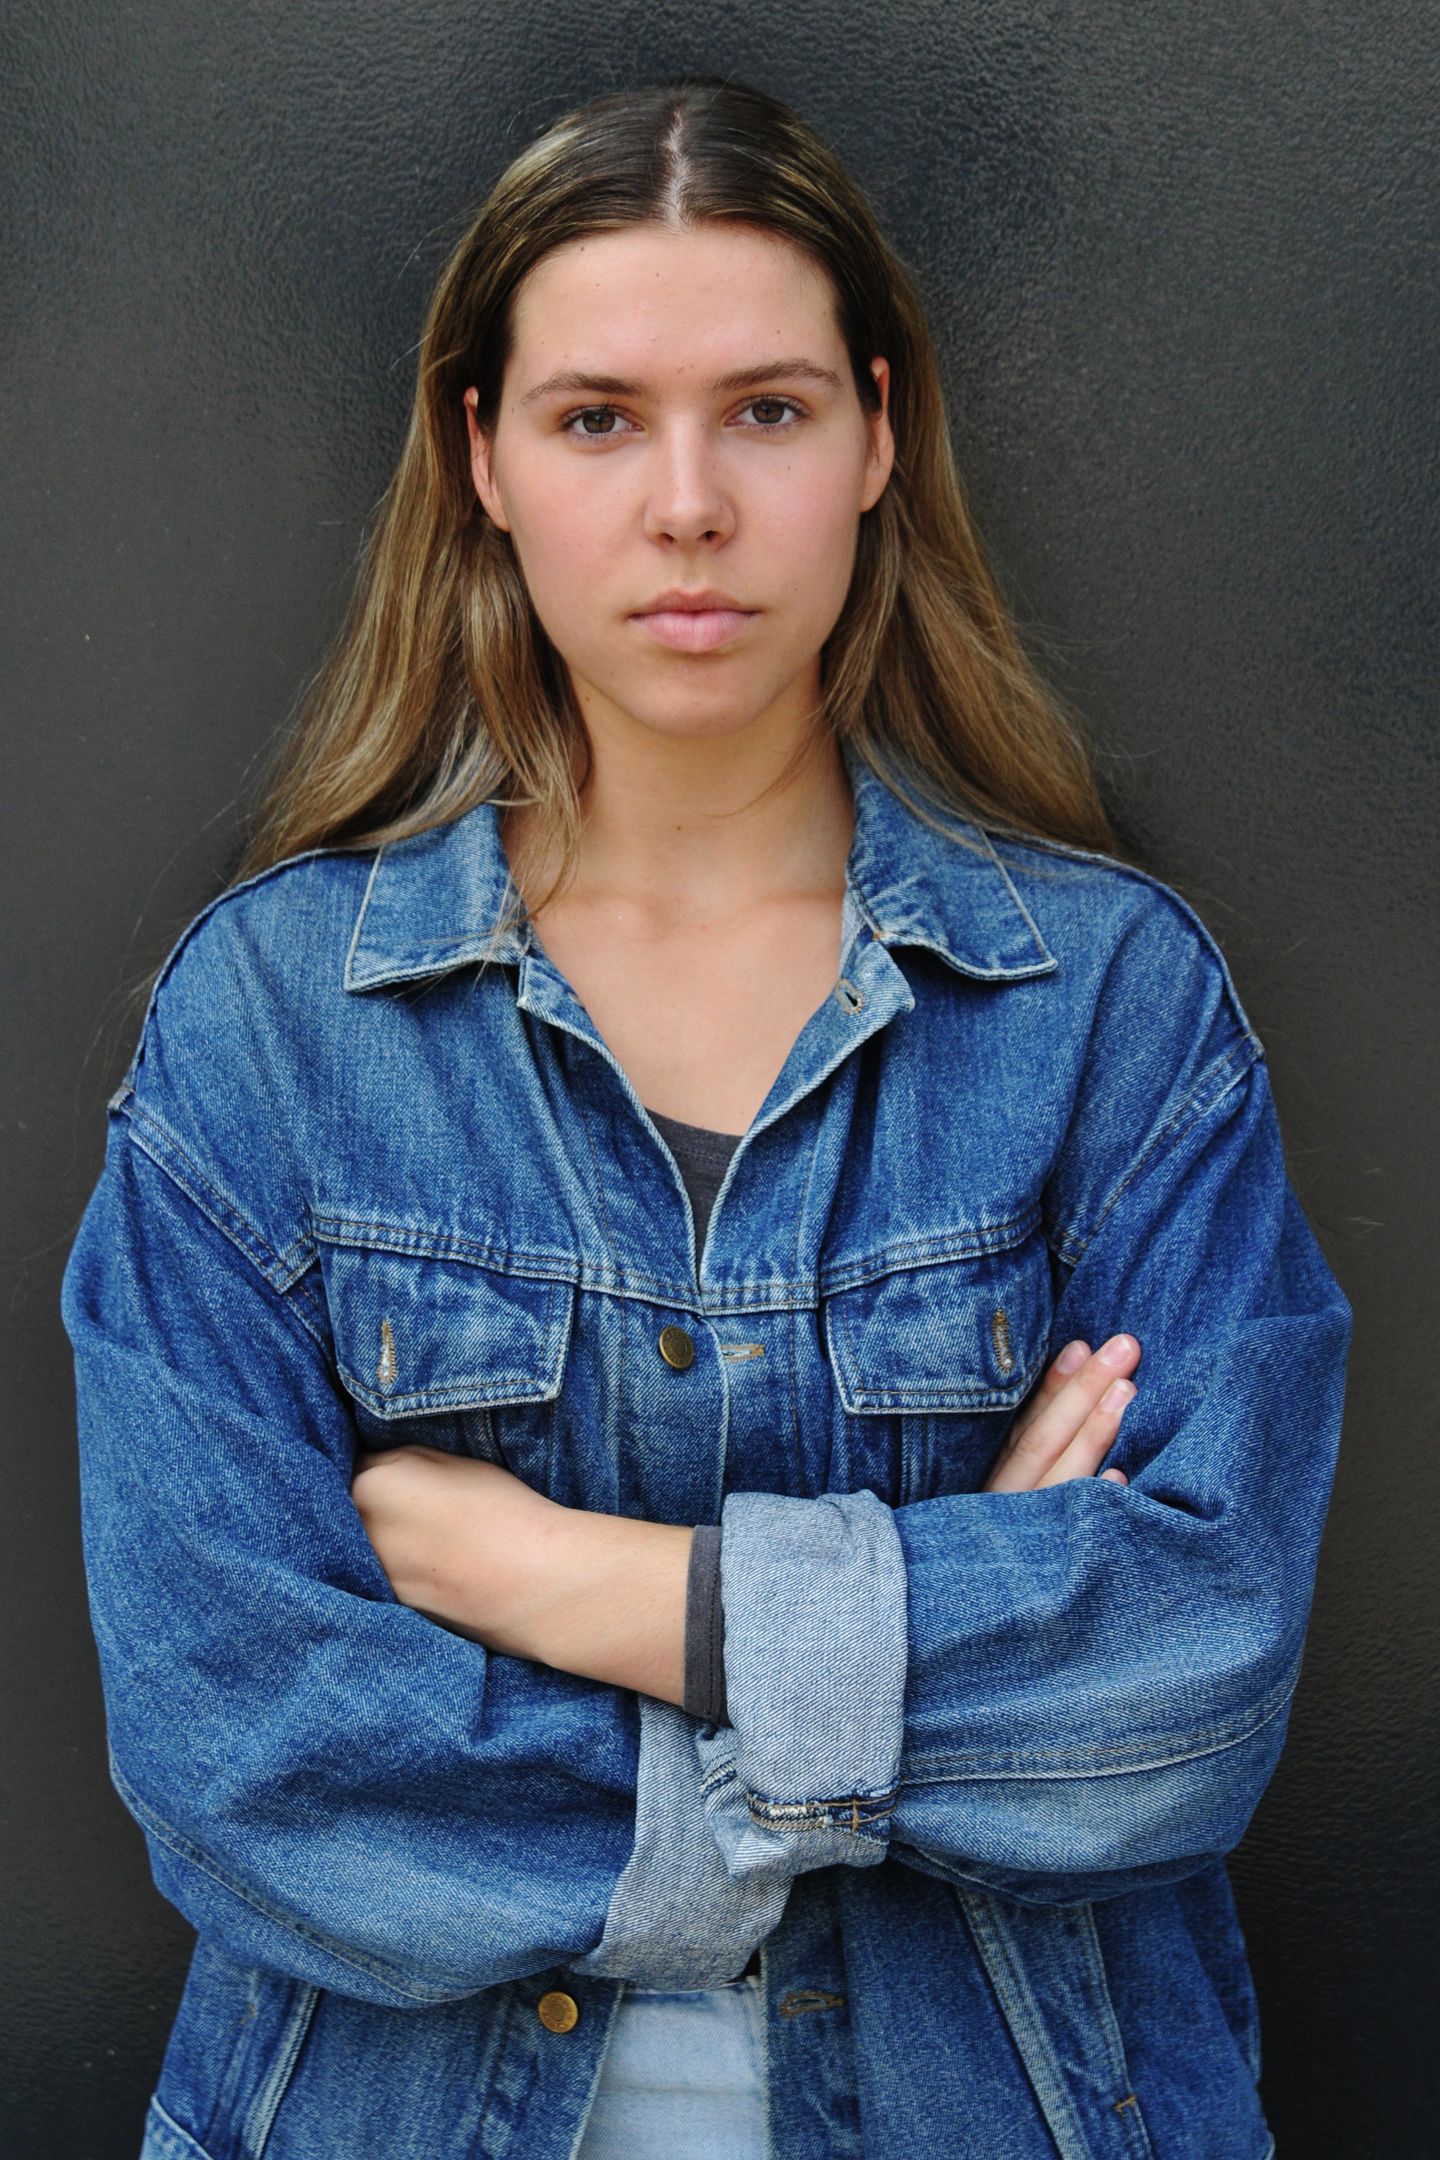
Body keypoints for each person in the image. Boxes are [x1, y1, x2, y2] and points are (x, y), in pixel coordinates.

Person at [60, 73, 1352, 2160]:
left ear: (877, 438)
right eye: (598, 419)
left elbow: (1190, 1685)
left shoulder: (1108, 1008)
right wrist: (935, 1650)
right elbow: (249, 1754)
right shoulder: (274, 1026)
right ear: (482, 457)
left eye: (766, 410)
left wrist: (573, 1585)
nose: (688, 504)